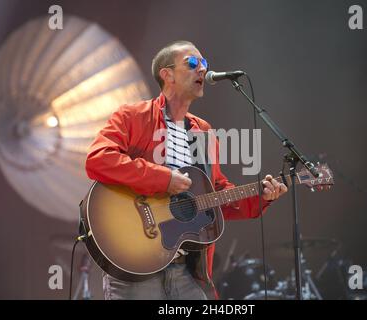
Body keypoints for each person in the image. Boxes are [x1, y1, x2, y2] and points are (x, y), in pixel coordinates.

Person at [85, 40, 288, 300]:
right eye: (192, 63)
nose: (202, 69)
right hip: (136, 265)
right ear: (166, 74)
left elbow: (215, 196)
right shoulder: (133, 116)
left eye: (204, 64)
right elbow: (98, 159)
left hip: (187, 270)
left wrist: (260, 196)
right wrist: (163, 178)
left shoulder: (203, 131)